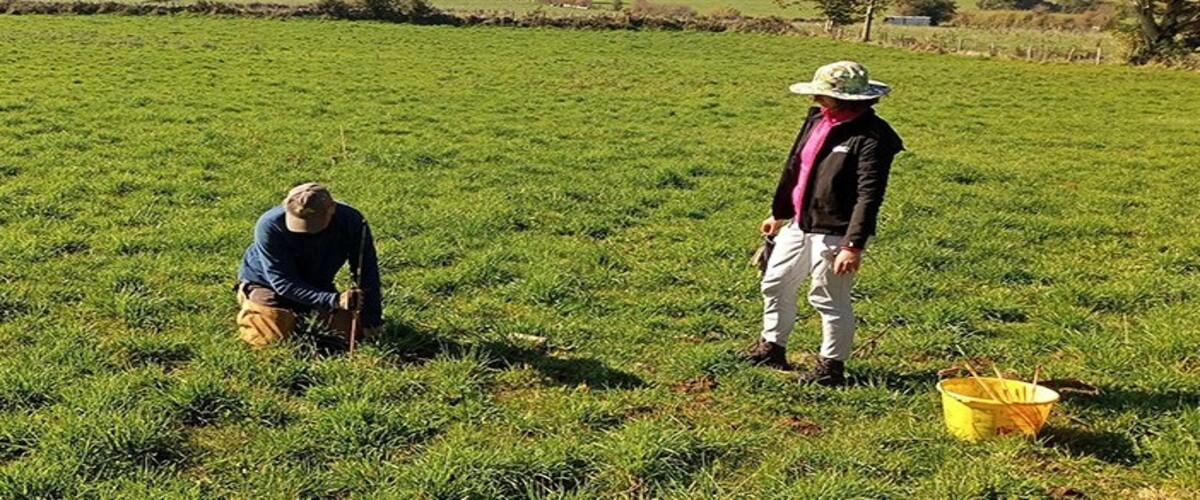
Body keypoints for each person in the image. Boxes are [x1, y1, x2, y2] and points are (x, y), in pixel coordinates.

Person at [743, 61, 905, 386]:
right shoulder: (818, 120)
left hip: (837, 231)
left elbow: (869, 195)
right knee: (775, 282)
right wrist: (780, 212)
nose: (815, 99)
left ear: (847, 99)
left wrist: (852, 245)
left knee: (827, 297)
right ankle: (771, 347)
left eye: (822, 94)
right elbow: (796, 167)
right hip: (801, 222)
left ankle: (831, 367)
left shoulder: (872, 137)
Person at [234, 182, 382, 348]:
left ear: (332, 208)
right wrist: (333, 300)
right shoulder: (269, 224)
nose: (307, 231)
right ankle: (250, 299)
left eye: (314, 222)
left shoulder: (353, 221)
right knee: (269, 342)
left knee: (351, 337)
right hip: (268, 285)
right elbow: (282, 283)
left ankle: (302, 312)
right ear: (285, 206)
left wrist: (371, 320)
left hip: (317, 284)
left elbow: (367, 271)